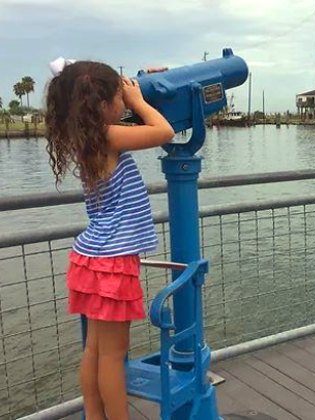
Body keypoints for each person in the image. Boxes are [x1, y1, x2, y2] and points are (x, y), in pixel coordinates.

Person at [44, 58, 174, 420]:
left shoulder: (89, 135)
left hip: (91, 256)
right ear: (102, 106)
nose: (125, 101)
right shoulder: (109, 136)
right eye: (119, 96)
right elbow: (162, 131)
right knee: (114, 357)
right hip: (113, 261)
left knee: (95, 352)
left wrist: (141, 85)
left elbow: (133, 124)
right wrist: (139, 101)